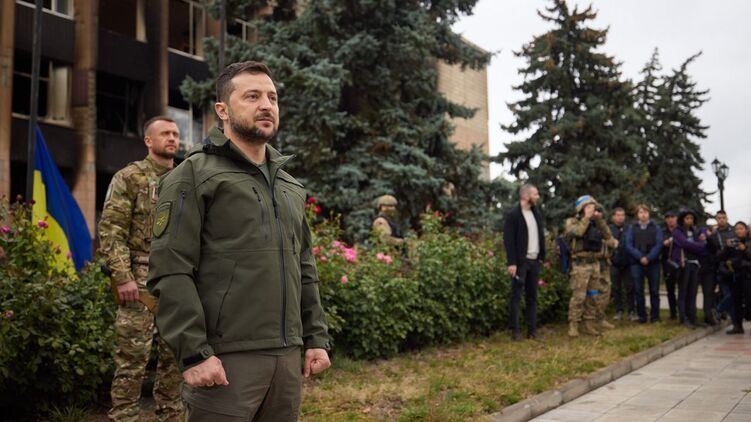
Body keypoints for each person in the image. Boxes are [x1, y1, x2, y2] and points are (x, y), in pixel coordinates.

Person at [147, 61, 331, 421]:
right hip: (224, 361)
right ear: (223, 110)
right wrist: (194, 353)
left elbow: (304, 267)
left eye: (272, 98)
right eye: (252, 96)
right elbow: (170, 270)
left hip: (287, 361)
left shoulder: (290, 186)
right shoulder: (193, 175)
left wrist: (315, 338)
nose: (266, 105)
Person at [98, 116, 183, 421]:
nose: (172, 138)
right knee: (133, 359)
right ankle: (124, 417)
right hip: (139, 279)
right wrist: (123, 277)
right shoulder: (129, 177)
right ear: (148, 140)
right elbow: (111, 230)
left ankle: (170, 416)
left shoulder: (185, 180)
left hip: (178, 280)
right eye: (165, 133)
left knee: (175, 359)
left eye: (176, 134)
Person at [564, 195, 618, 337]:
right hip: (580, 265)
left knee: (593, 296)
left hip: (595, 265)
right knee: (578, 297)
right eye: (588, 207)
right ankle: (574, 325)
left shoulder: (596, 223)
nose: (591, 209)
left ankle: (589, 324)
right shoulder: (572, 222)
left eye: (593, 207)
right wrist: (586, 218)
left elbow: (608, 236)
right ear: (581, 208)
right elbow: (578, 232)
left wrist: (599, 220)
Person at [503, 184, 545, 341]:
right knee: (516, 297)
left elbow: (540, 235)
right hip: (520, 263)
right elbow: (509, 240)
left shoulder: (535, 213)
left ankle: (532, 331)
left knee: (532, 297)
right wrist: (512, 263)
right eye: (535, 194)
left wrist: (541, 257)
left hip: (534, 261)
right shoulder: (513, 215)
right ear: (526, 196)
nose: (538, 197)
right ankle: (515, 331)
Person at [624, 204, 663, 323]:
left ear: (649, 213)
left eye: (645, 212)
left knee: (654, 291)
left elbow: (659, 244)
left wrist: (649, 257)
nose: (643, 214)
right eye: (640, 212)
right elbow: (628, 245)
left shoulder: (656, 228)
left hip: (653, 263)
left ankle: (655, 316)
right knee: (638, 290)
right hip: (636, 263)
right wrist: (640, 257)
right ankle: (642, 316)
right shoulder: (632, 228)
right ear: (637, 215)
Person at [671, 209, 707, 328]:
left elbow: (702, 245)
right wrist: (698, 245)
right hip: (683, 264)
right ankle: (683, 318)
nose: (689, 220)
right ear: (682, 219)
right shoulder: (677, 231)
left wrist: (697, 244)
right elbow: (684, 244)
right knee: (683, 292)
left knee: (693, 292)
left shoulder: (695, 231)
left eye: (691, 218)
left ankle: (693, 317)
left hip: (695, 264)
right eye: (687, 218)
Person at [720, 221, 751, 334]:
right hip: (735, 275)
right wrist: (726, 247)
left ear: (746, 230)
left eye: (741, 228)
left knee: (749, 300)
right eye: (737, 229)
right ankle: (738, 326)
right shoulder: (733, 243)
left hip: (747, 275)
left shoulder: (749, 242)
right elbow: (721, 257)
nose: (739, 231)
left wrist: (744, 249)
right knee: (736, 300)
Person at [708, 210, 736, 322]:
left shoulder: (734, 230)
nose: (721, 220)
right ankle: (730, 319)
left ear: (727, 218)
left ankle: (720, 310)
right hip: (721, 268)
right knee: (727, 294)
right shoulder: (714, 235)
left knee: (735, 294)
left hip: (735, 266)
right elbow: (713, 252)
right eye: (719, 218)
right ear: (716, 219)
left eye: (723, 217)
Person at [608, 207, 634, 321]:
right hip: (614, 263)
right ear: (613, 217)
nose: (620, 217)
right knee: (616, 288)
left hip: (628, 263)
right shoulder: (609, 229)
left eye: (622, 215)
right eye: (618, 215)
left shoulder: (630, 228)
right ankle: (619, 310)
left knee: (630, 287)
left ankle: (631, 310)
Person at [661, 210, 679, 319]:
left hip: (679, 262)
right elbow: (659, 245)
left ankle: (682, 310)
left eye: (672, 217)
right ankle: (673, 312)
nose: (670, 219)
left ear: (676, 218)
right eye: (668, 218)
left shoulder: (680, 230)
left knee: (682, 287)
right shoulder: (662, 232)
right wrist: (664, 243)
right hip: (667, 262)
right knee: (670, 288)